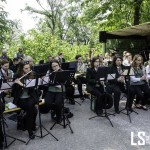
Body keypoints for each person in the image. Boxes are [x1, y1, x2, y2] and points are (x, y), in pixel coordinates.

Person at [12, 61, 38, 139]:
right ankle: (31, 127)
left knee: (31, 107)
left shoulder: (33, 74)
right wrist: (15, 83)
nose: (28, 70)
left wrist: (21, 84)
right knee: (33, 109)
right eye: (25, 68)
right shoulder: (16, 75)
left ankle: (30, 129)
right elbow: (14, 91)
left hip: (30, 96)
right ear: (21, 69)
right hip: (20, 98)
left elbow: (32, 87)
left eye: (29, 68)